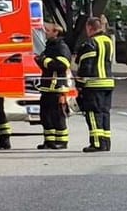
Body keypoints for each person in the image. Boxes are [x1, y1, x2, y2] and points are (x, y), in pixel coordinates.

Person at [75, 15, 116, 152]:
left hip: (94, 84)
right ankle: (106, 143)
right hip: (108, 82)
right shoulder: (108, 41)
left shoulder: (91, 43)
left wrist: (79, 84)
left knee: (93, 113)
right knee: (105, 113)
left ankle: (96, 143)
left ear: (89, 28)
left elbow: (85, 66)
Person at [38, 35, 73, 150]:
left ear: (56, 32)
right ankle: (49, 141)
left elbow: (62, 65)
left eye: (47, 31)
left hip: (58, 88)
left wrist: (45, 61)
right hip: (47, 88)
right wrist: (42, 60)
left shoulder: (62, 47)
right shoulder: (49, 46)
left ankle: (62, 141)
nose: (45, 33)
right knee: (46, 116)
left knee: (58, 116)